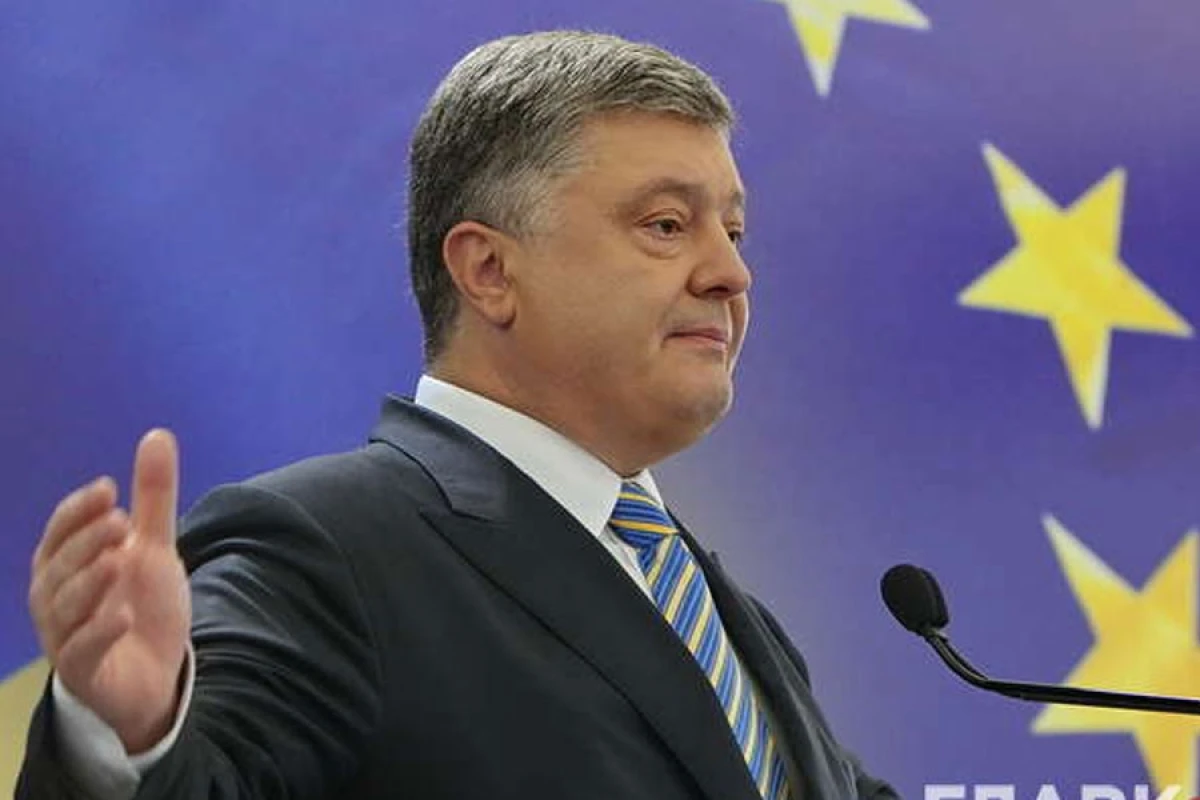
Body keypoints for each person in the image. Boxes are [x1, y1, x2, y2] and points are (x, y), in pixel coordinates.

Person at [18, 30, 897, 800]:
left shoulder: (723, 614)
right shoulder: (326, 550)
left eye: (732, 233)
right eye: (667, 225)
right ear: (488, 271)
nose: (730, 274)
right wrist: (129, 740)